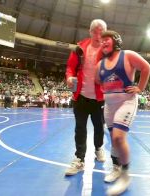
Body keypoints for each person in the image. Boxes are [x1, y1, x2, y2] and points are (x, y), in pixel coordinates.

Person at [96, 30, 150, 195]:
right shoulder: (100, 64)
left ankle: (126, 175)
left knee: (119, 138)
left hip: (126, 102)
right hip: (109, 105)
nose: (103, 43)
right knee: (113, 140)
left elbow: (146, 67)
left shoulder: (128, 55)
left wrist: (140, 87)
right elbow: (98, 80)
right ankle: (116, 167)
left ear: (116, 41)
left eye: (107, 40)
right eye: (101, 41)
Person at [65, 19, 107, 176]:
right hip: (80, 97)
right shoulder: (80, 47)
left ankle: (98, 148)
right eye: (95, 31)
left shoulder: (108, 50)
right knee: (80, 129)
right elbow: (70, 67)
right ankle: (79, 159)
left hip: (99, 99)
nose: (98, 35)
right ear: (90, 32)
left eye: (101, 31)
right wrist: (69, 78)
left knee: (99, 128)